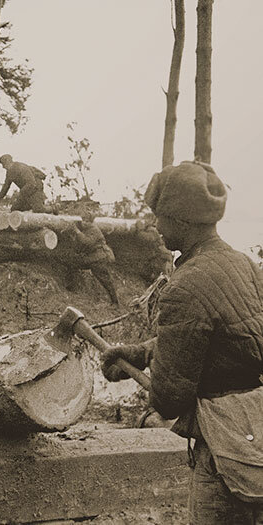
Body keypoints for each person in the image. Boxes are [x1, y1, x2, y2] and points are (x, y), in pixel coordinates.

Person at [100, 161, 263, 523]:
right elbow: (225, 337)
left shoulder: (184, 286)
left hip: (223, 454)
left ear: (183, 223)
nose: (156, 226)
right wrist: (143, 353)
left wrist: (157, 386)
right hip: (257, 432)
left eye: (161, 217)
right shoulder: (245, 266)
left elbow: (170, 399)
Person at [65, 210, 119, 305]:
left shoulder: (94, 230)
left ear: (91, 222)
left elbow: (87, 242)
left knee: (105, 280)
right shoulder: (86, 229)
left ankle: (115, 302)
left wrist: (77, 232)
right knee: (72, 263)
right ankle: (71, 288)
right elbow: (80, 246)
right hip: (90, 258)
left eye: (87, 221)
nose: (84, 223)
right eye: (83, 220)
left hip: (98, 259)